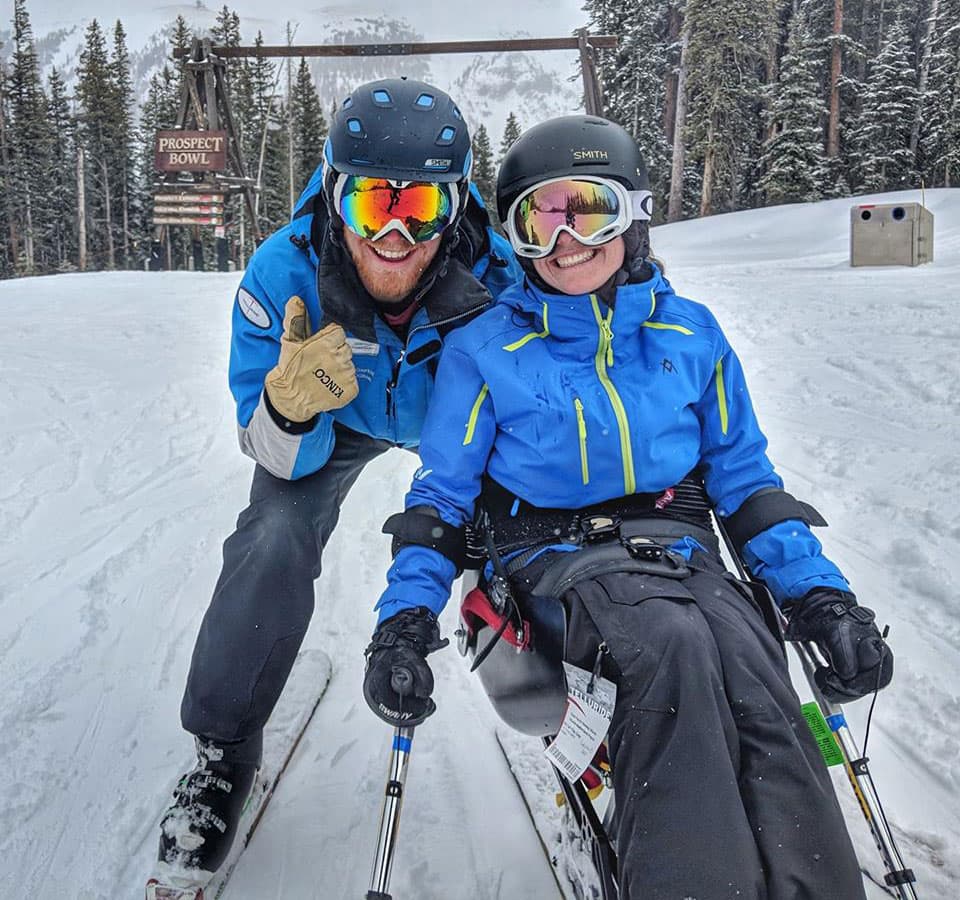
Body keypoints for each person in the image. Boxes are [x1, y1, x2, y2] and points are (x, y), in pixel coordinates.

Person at [363, 115, 893, 899]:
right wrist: (404, 618)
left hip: (679, 550)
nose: (567, 239)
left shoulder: (691, 334)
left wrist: (817, 597)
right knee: (670, 645)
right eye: (541, 219)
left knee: (750, 659)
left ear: (634, 215)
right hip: (552, 564)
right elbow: (441, 495)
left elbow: (744, 480)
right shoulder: (486, 348)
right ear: (516, 237)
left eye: (590, 208)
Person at [153, 77, 520, 881]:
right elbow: (266, 445)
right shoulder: (283, 276)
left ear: (456, 207)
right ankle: (222, 751)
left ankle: (579, 708)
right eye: (370, 206)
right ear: (334, 195)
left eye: (419, 208)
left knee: (534, 532)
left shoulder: (501, 282)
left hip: (455, 423)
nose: (394, 234)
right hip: (339, 423)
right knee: (273, 533)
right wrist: (286, 412)